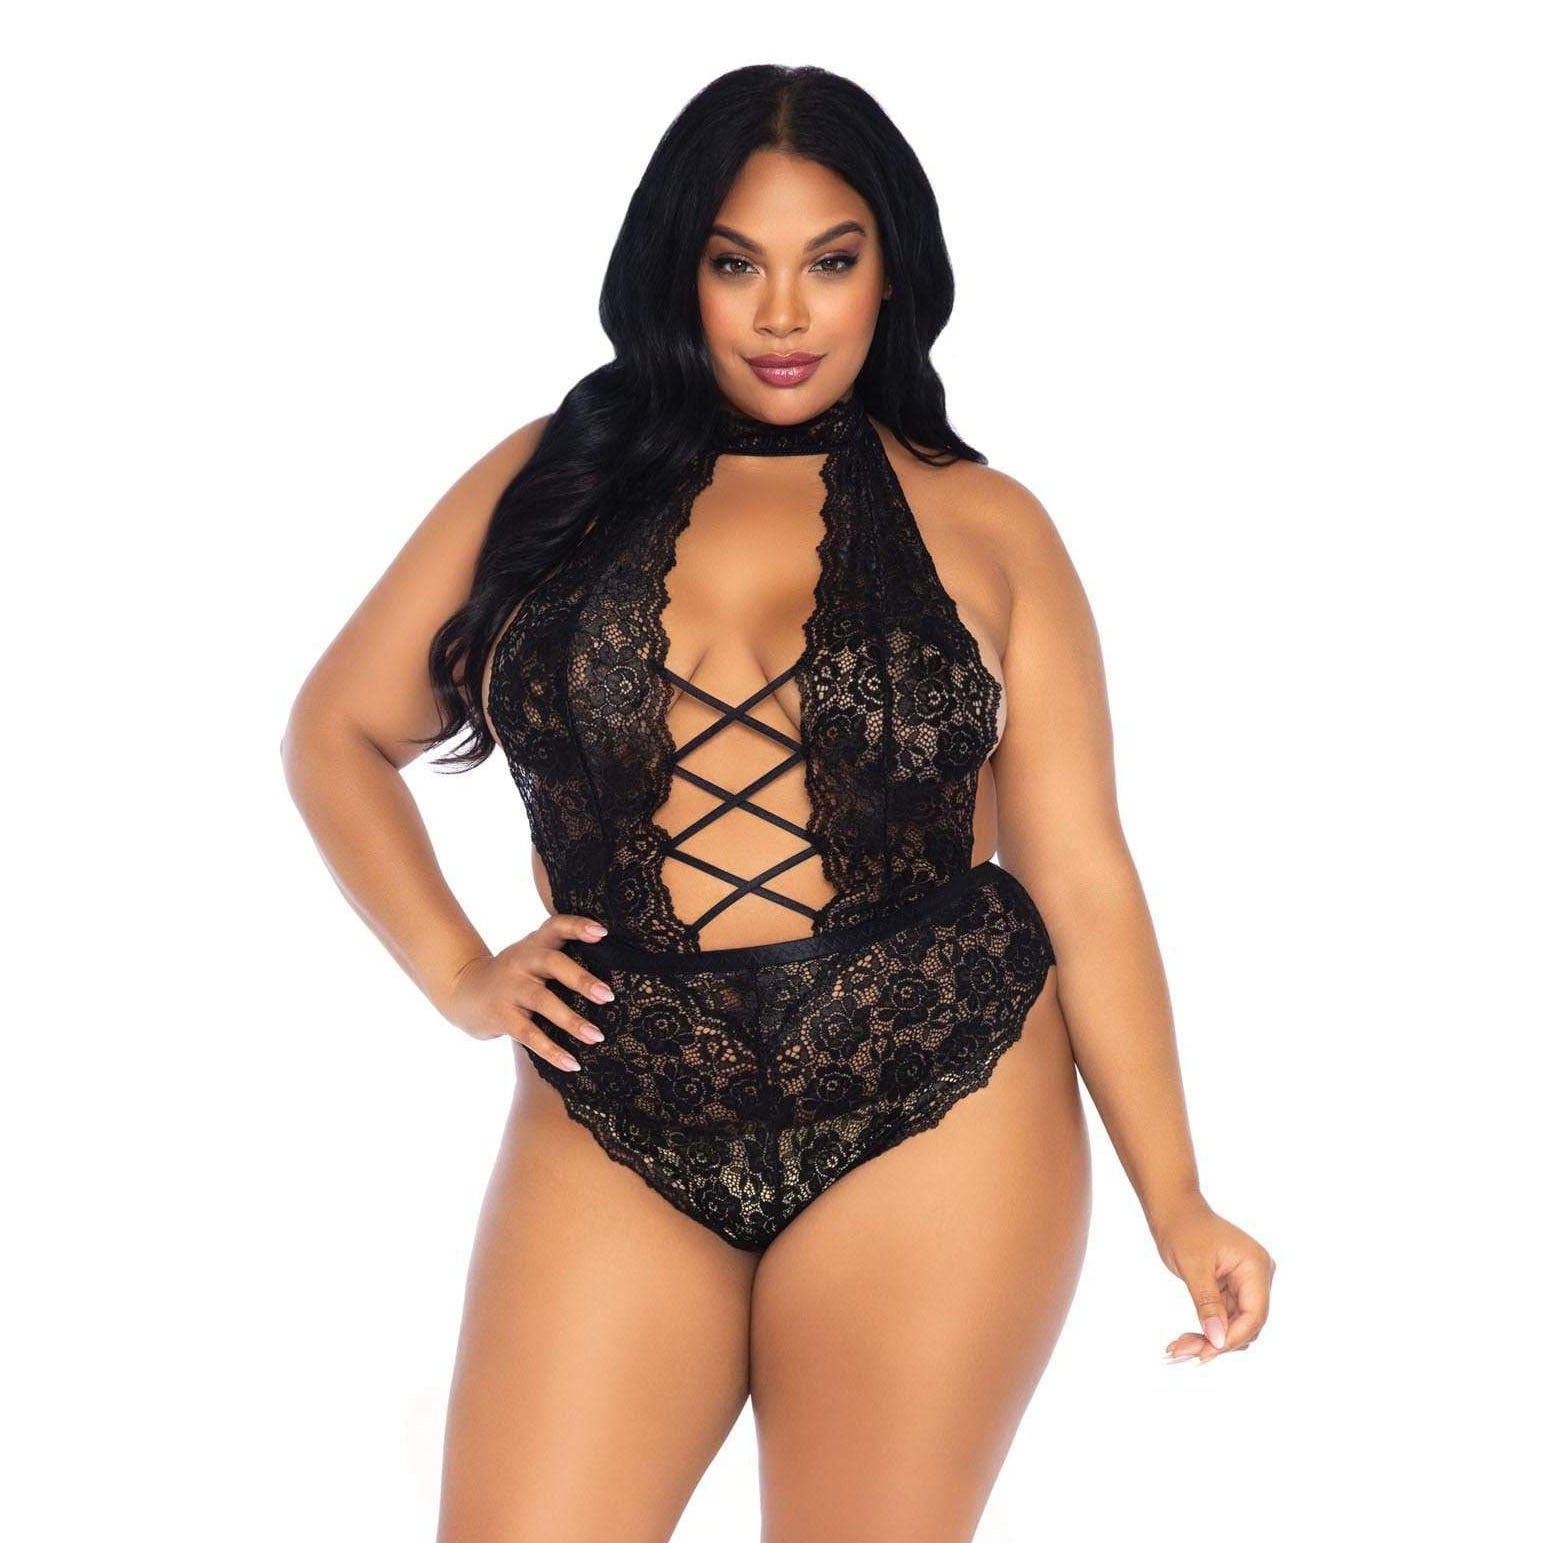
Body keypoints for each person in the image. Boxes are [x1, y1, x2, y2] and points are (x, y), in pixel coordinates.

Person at [281, 63, 1275, 1543]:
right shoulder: (549, 484)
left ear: (893, 273)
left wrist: (1178, 1197)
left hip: (940, 1094)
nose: (785, 314)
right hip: (616, 1094)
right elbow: (337, 730)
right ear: (677, 270)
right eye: (738, 263)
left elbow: (1081, 875)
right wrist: (459, 971)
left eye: (832, 261)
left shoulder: (987, 522)